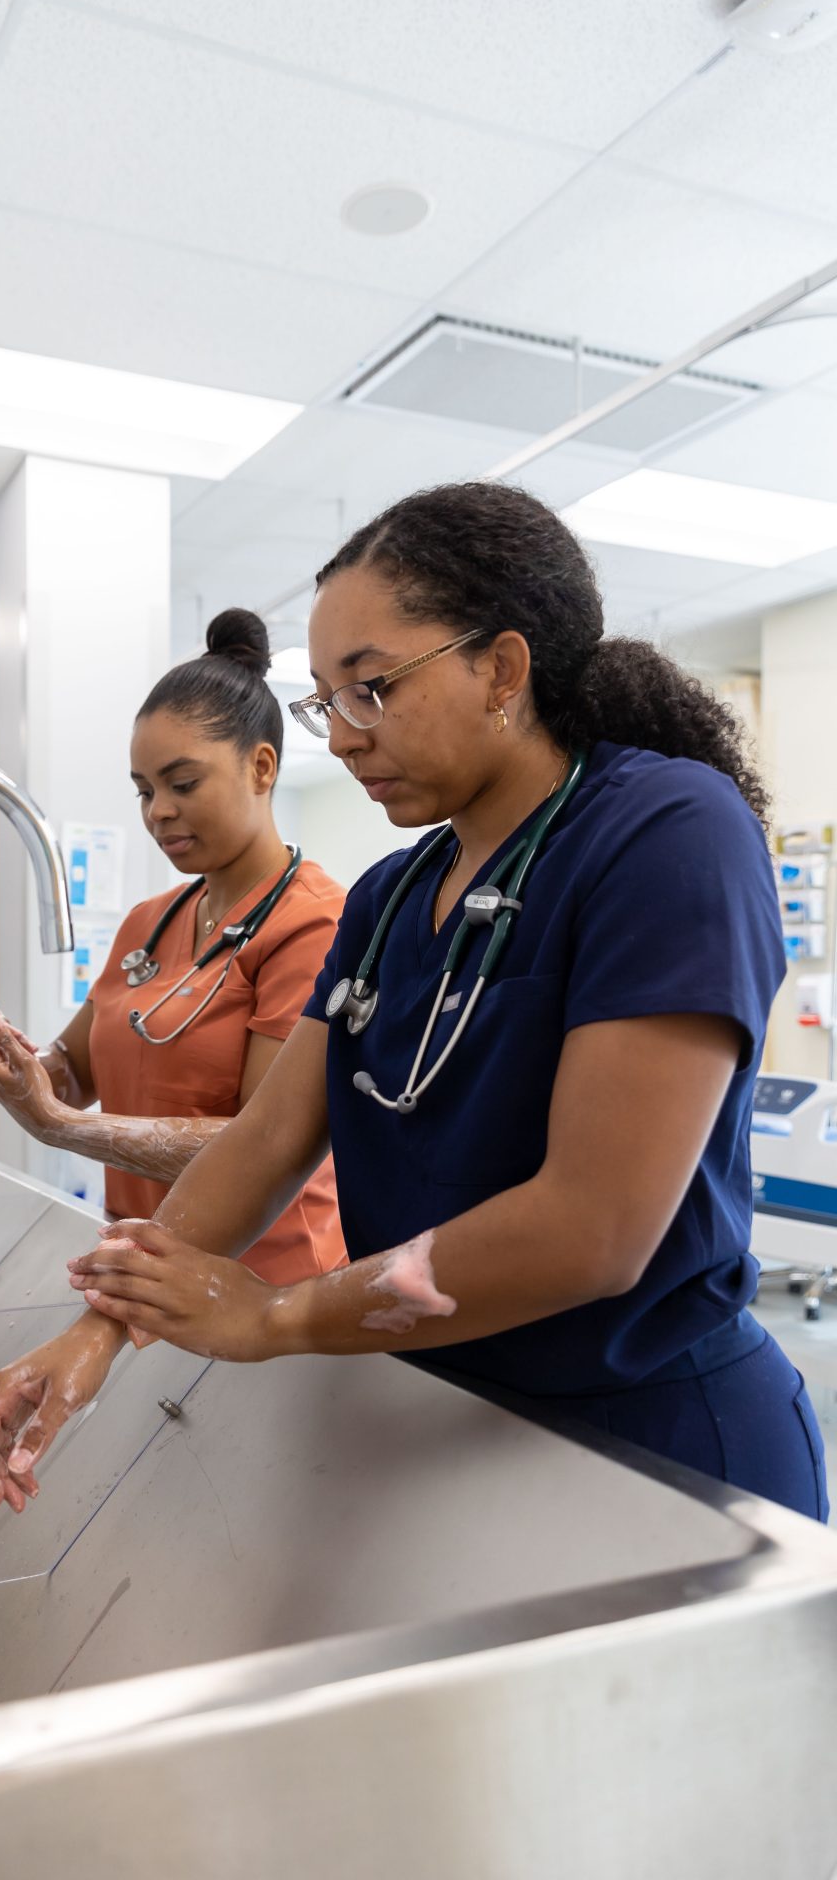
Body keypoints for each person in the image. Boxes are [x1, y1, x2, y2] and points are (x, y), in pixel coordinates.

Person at [60, 481, 828, 1524]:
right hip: (442, 1413)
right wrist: (101, 1328)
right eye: (325, 701)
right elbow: (269, 1136)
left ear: (500, 668)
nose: (339, 737)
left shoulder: (664, 833)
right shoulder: (389, 896)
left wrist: (279, 1314)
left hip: (655, 1447)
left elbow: (593, 1228)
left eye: (369, 688)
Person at [0, 608, 348, 1511]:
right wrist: (3, 1052)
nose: (158, 812)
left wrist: (61, 1127)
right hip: (148, 1283)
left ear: (263, 767)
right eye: (142, 790)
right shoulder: (151, 922)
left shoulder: (313, 925)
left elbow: (261, 1141)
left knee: (251, 1514)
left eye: (181, 782)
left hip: (263, 1291)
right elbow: (73, 1070)